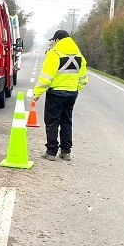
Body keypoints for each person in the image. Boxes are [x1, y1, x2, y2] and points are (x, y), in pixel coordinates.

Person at [32, 29, 88, 161]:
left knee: (52, 122)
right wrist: (76, 89)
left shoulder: (54, 54)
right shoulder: (79, 55)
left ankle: (51, 152)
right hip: (71, 94)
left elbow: (46, 77)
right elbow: (83, 78)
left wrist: (37, 93)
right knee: (66, 122)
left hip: (55, 94)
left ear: (57, 40)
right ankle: (66, 151)